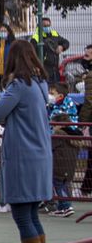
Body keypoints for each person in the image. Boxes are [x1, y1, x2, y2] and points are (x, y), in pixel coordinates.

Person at [0, 41, 55, 243]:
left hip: (22, 158)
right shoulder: (40, 85)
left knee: (23, 216)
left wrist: (9, 118)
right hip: (40, 157)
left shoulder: (18, 85)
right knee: (32, 215)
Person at [46, 83, 78, 217]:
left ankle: (65, 205)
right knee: (63, 182)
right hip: (67, 162)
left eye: (52, 93)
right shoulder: (53, 107)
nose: (50, 96)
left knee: (58, 183)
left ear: (60, 96)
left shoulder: (60, 132)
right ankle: (63, 205)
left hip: (59, 163)